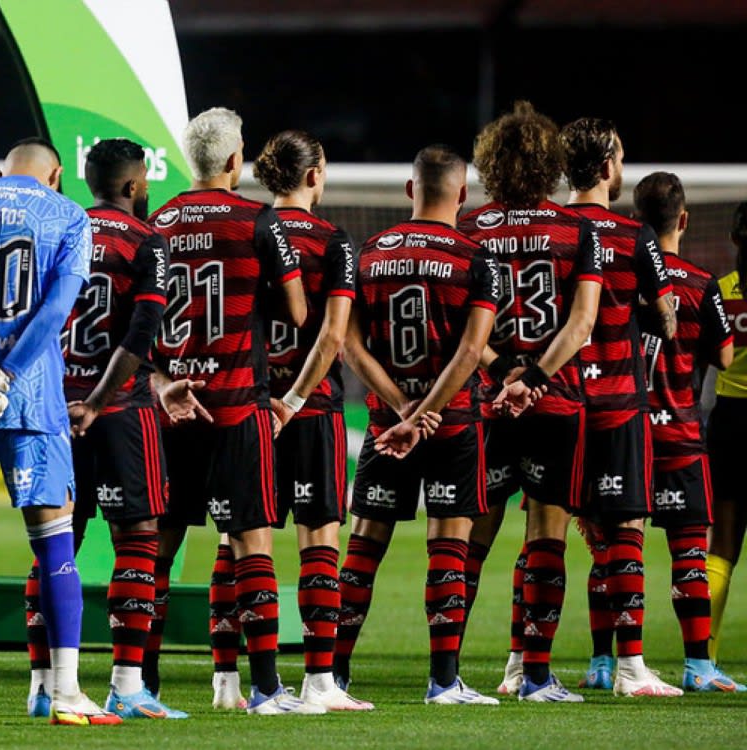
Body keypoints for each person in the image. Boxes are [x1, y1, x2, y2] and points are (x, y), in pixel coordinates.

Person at [0, 137, 121, 726]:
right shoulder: (69, 216)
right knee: (53, 547)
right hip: (32, 398)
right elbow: (55, 310)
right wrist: (9, 375)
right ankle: (64, 692)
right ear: (57, 174)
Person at [149, 106, 320, 715]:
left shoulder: (160, 220)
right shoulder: (260, 221)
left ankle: (143, 685)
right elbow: (298, 313)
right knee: (251, 544)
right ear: (232, 161)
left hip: (171, 406)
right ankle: (268, 688)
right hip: (235, 404)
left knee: (157, 551)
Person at [24, 136, 184, 720]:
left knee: (53, 544)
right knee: (138, 537)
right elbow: (141, 331)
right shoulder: (146, 241)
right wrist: (96, 400)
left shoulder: (57, 230)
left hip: (50, 411)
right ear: (135, 186)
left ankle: (43, 686)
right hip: (117, 412)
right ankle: (126, 683)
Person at [334, 144, 499, 705]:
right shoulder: (475, 259)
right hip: (451, 423)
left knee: (364, 543)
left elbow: (349, 345)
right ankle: (444, 681)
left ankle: (332, 675)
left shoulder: (371, 252)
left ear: (411, 191)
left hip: (386, 424)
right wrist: (428, 411)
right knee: (449, 541)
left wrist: (400, 407)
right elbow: (473, 350)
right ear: (461, 195)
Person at [458, 100, 604, 702]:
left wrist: (503, 372)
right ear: (552, 166)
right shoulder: (580, 231)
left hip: (490, 401)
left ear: (491, 165)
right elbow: (581, 325)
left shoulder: (469, 230)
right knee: (546, 535)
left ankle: (447, 673)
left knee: (473, 541)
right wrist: (536, 378)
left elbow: (464, 331)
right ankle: (534, 676)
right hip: (554, 403)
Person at [558, 118, 682, 697]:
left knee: (545, 530)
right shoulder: (636, 237)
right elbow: (665, 313)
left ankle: (524, 664)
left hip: (556, 400)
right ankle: (630, 667)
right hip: (617, 401)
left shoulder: (551, 228)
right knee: (625, 528)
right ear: (608, 167)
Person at [253, 130, 371, 711]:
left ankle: (235, 681)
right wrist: (296, 399)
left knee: (243, 541)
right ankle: (319, 681)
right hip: (309, 406)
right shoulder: (334, 241)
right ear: (314, 176)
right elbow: (333, 337)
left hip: (250, 406)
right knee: (319, 538)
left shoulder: (250, 231)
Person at [633, 171, 744, 692]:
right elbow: (723, 357)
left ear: (637, 220)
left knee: (618, 546)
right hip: (680, 433)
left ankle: (606, 663)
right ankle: (699, 665)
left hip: (630, 436)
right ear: (683, 219)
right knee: (689, 551)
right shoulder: (702, 284)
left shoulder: (619, 281)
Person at [706, 200, 747, 665]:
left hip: (731, 421)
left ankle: (705, 655)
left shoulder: (718, 293)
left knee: (723, 545)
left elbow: (712, 359)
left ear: (734, 239)